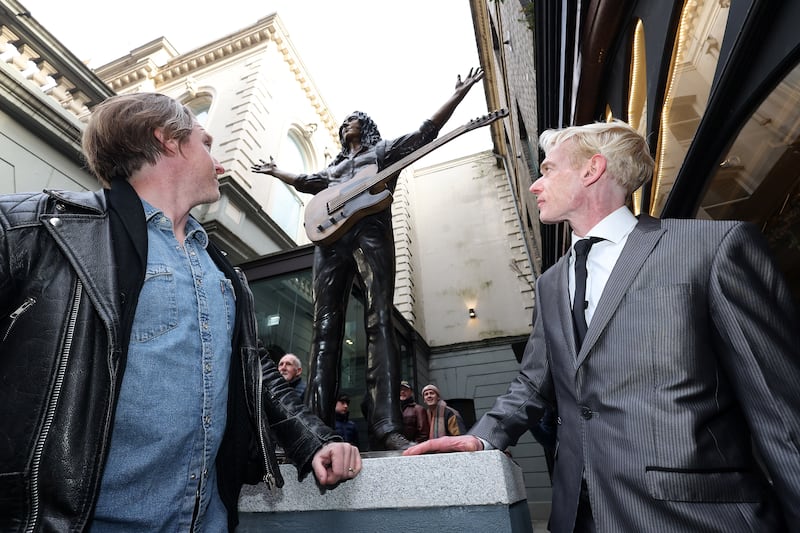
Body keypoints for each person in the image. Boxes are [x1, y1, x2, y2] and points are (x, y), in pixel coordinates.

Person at [405, 120, 800, 531]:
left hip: (694, 516)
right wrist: (482, 436)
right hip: (580, 518)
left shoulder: (712, 248)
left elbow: (782, 414)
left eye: (548, 170)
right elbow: (532, 383)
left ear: (591, 170)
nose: (535, 186)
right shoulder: (549, 284)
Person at [0, 92, 362, 532]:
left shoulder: (222, 270)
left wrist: (312, 438)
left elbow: (255, 371)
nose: (217, 158)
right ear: (168, 140)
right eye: (205, 142)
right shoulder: (35, 228)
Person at [252, 67, 484, 451]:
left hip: (371, 230)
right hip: (329, 242)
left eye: (353, 120)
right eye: (343, 123)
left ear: (367, 127)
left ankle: (385, 424)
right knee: (324, 328)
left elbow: (425, 131)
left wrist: (456, 96)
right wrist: (277, 171)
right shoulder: (334, 167)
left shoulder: (382, 152)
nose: (346, 125)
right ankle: (315, 424)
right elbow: (308, 181)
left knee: (378, 317)